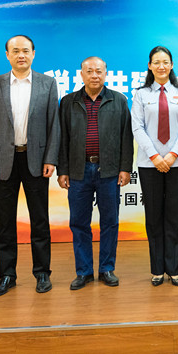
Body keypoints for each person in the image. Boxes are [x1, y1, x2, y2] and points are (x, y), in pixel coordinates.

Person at [0, 35, 60, 297]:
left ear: (33, 53)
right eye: (15, 51)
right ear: (7, 55)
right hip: (4, 161)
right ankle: (7, 275)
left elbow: (54, 124)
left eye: (25, 50)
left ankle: (42, 272)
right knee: (5, 222)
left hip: (36, 160)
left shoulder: (47, 84)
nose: (21, 55)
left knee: (40, 219)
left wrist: (51, 158)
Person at [57, 57, 133, 290]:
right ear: (81, 74)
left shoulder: (118, 100)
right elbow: (62, 139)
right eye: (89, 71)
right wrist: (63, 170)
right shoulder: (68, 102)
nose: (94, 75)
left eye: (98, 71)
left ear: (105, 73)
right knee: (79, 222)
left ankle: (107, 269)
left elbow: (126, 137)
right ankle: (84, 271)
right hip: (78, 170)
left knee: (110, 221)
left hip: (109, 170)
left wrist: (125, 168)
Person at [131, 46, 178, 287]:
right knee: (154, 216)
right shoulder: (140, 94)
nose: (161, 66)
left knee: (176, 217)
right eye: (156, 62)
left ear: (172, 65)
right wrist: (156, 156)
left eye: (165, 62)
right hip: (150, 165)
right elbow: (137, 127)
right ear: (149, 66)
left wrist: (172, 154)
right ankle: (157, 269)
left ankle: (174, 269)